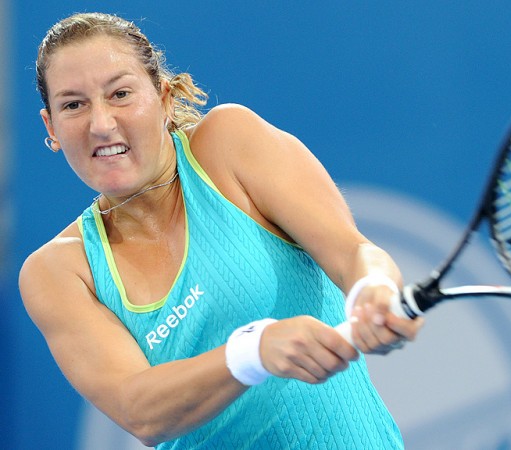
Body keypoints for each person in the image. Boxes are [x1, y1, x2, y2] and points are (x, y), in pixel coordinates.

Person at [19, 12, 424, 449]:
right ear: (51, 127)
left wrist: (374, 289)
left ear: (164, 96)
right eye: (73, 104)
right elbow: (139, 409)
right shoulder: (57, 271)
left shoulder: (230, 142)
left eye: (120, 94)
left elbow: (354, 253)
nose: (100, 123)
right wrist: (252, 351)